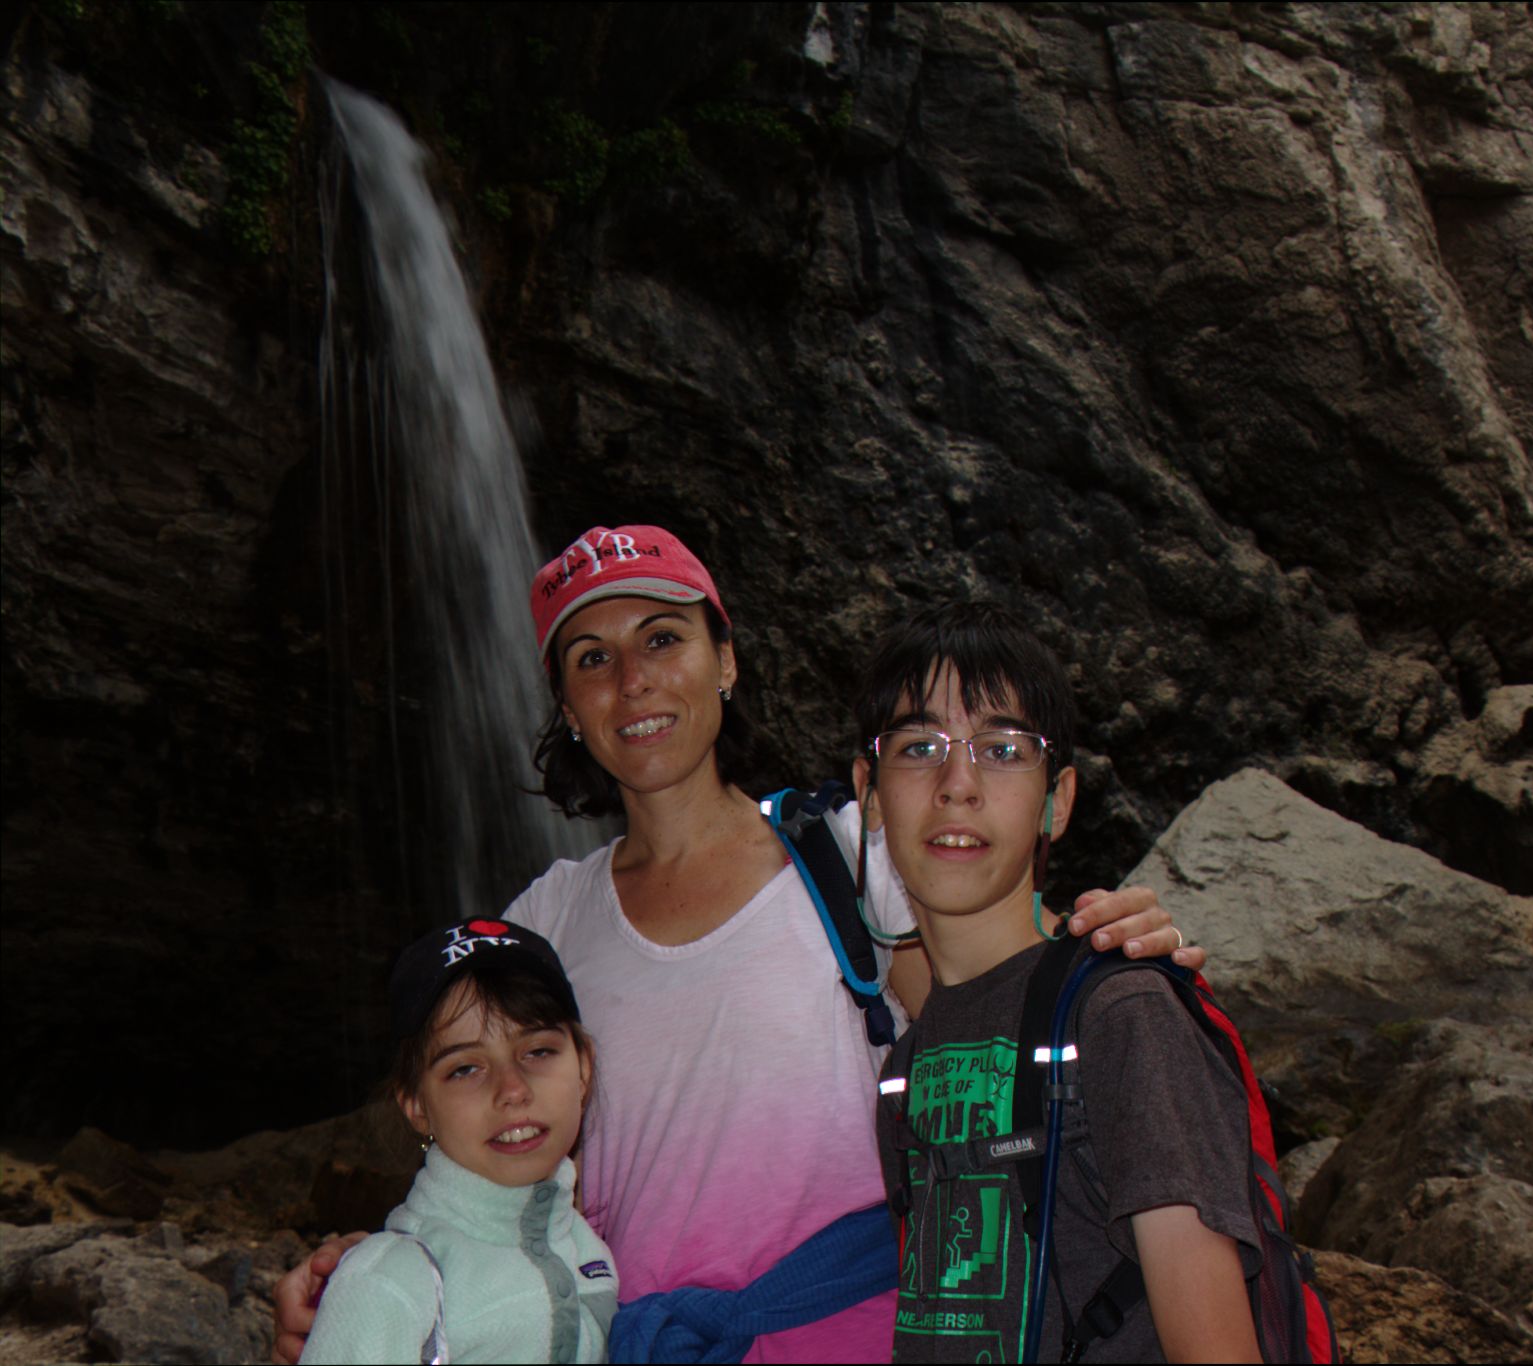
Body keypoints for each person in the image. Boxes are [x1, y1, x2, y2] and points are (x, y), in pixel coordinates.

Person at [275, 526, 1199, 1365]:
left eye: (663, 639)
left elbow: (1005, 1010)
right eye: (592, 658)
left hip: (853, 1335)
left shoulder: (846, 854)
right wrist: (383, 1276)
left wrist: (1103, 951)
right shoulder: (544, 924)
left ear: (725, 660)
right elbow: (487, 1140)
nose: (633, 680)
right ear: (567, 703)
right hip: (641, 1341)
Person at [858, 602, 1262, 1362]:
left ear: (1058, 800)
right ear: (870, 794)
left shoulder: (1120, 1013)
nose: (957, 784)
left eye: (1002, 749)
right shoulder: (905, 1070)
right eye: (918, 747)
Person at [300, 916, 616, 1364]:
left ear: (583, 1067)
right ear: (417, 1106)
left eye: (538, 1051)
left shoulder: (587, 1252)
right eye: (465, 1068)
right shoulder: (391, 1282)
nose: (512, 1090)